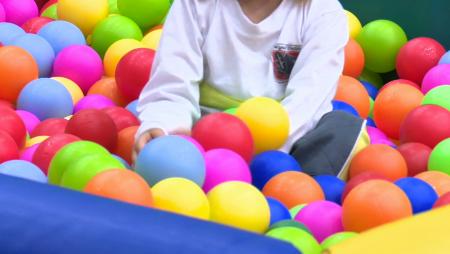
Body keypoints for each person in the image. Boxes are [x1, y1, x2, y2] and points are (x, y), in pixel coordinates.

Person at [134, 0, 368, 178]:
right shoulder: (195, 4)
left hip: (281, 146)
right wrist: (162, 127)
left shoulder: (323, 12)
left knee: (345, 131)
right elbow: (172, 83)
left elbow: (307, 105)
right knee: (164, 152)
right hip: (206, 135)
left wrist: (255, 153)